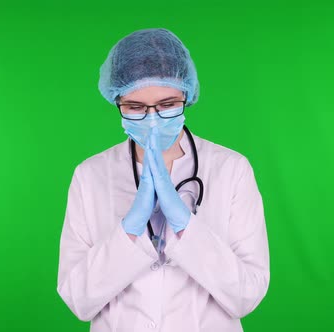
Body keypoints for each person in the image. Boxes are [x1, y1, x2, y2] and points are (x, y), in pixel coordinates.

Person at [56, 28, 270, 332]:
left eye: (168, 104)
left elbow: (246, 296)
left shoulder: (231, 169)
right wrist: (129, 230)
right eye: (135, 107)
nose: (152, 119)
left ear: (187, 95)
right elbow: (78, 300)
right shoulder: (90, 175)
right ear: (117, 101)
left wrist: (185, 224)